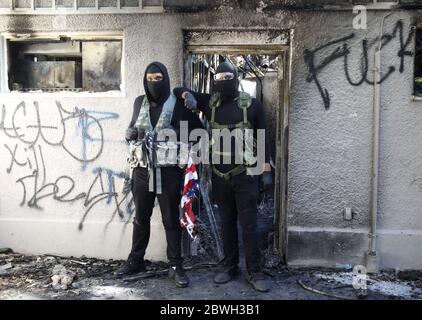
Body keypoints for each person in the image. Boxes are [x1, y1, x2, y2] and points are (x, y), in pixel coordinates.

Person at [173, 61, 273, 292]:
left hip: (246, 176)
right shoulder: (211, 102)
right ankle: (230, 267)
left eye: (228, 76)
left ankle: (254, 271)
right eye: (219, 78)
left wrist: (265, 173)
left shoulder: (253, 105)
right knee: (226, 224)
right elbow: (177, 91)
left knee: (250, 226)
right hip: (220, 177)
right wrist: (187, 94)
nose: (223, 81)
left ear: (236, 78)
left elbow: (263, 140)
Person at [115, 62, 203, 288]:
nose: (154, 82)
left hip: (169, 172)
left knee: (171, 220)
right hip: (142, 170)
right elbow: (132, 130)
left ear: (165, 79)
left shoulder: (178, 104)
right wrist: (129, 133)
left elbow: (199, 133)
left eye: (158, 78)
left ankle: (175, 266)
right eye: (150, 78)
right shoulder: (138, 102)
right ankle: (136, 260)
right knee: (140, 218)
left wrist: (178, 133)